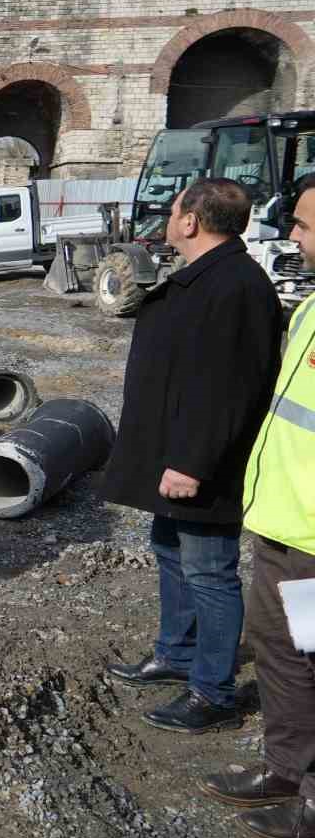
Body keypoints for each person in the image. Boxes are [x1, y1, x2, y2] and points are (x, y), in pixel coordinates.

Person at [101, 178, 283, 732]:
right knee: (170, 551)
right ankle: (176, 654)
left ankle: (213, 692)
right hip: (174, 457)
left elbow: (229, 389)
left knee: (210, 571)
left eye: (174, 210)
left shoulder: (237, 287)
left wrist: (192, 463)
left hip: (199, 466)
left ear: (191, 222)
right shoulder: (207, 277)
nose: (169, 218)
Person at [200, 174, 315, 838]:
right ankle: (285, 767)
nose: (291, 237)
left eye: (302, 225)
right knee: (282, 656)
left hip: (312, 537)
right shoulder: (308, 310)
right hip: (282, 523)